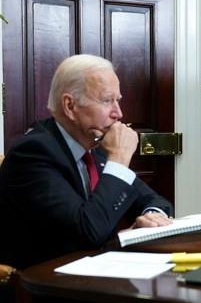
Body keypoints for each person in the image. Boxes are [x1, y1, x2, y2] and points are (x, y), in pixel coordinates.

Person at [0, 54, 173, 270]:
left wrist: (153, 216)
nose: (119, 113)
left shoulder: (94, 148)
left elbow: (155, 200)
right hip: (46, 284)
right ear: (70, 106)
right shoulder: (33, 153)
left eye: (117, 100)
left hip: (97, 272)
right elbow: (88, 233)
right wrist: (119, 159)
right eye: (107, 100)